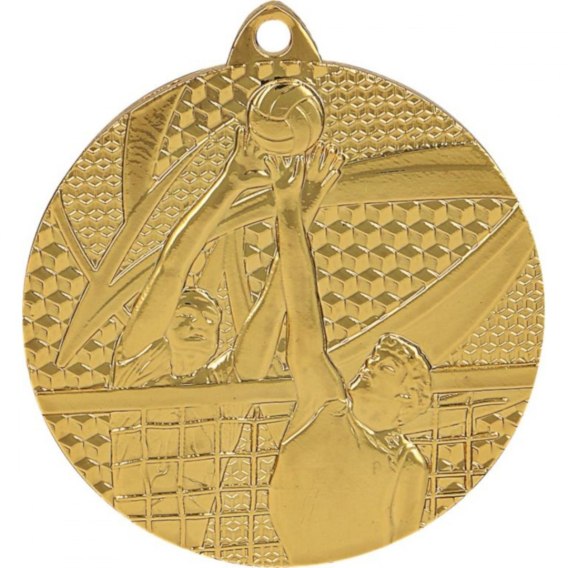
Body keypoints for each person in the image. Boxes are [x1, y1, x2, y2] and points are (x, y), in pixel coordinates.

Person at [266, 154, 432, 564]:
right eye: (375, 360)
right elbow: (302, 308)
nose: (370, 366)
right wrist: (289, 204)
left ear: (406, 400)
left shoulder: (407, 464)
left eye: (387, 367)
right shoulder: (324, 405)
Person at [112, 127, 340, 388]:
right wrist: (229, 183)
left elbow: (276, 301)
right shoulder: (137, 370)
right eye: (185, 317)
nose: (200, 326)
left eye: (210, 322)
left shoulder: (226, 383)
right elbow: (172, 268)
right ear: (161, 325)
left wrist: (298, 207)